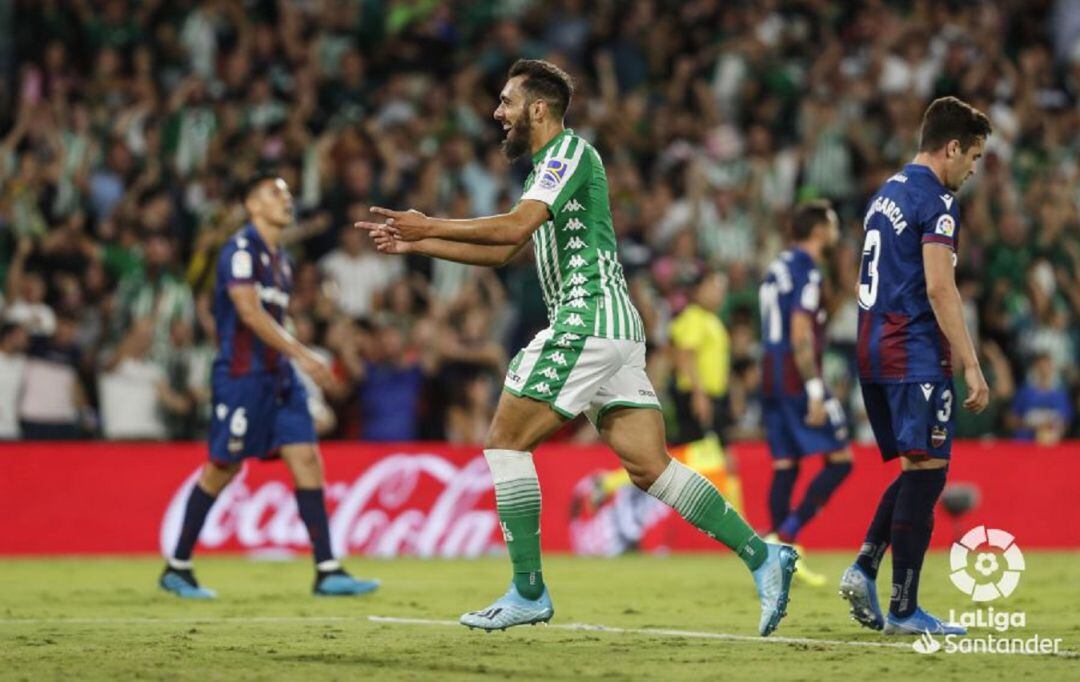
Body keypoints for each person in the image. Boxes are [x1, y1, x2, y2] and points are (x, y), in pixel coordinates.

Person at [356, 59, 796, 636]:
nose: (497, 112)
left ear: (538, 109)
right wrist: (422, 243)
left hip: (586, 320)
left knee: (506, 442)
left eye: (506, 101)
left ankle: (528, 591)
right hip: (616, 328)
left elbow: (514, 229)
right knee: (650, 467)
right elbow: (503, 252)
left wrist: (427, 222)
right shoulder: (545, 171)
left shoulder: (567, 153)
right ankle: (764, 557)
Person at [159, 172, 379, 599]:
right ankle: (178, 565)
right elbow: (248, 313)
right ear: (251, 205)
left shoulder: (282, 260)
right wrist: (303, 354)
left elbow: (278, 322)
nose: (286, 199)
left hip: (280, 379)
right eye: (274, 193)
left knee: (307, 459)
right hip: (242, 378)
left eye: (288, 193)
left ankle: (327, 569)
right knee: (223, 466)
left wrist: (299, 364)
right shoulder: (240, 250)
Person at [839, 97, 992, 636]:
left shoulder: (886, 193)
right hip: (913, 350)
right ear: (951, 148)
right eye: (972, 156)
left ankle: (864, 566)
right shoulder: (938, 201)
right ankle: (903, 608)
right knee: (931, 474)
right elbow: (938, 285)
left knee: (916, 469)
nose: (973, 169)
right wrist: (972, 364)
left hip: (872, 347)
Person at [759, 200, 853, 588]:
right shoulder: (806, 270)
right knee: (841, 460)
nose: (836, 231)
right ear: (818, 231)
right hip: (797, 375)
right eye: (832, 224)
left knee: (786, 464)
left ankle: (775, 559)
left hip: (770, 370)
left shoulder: (778, 265)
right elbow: (801, 333)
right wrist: (815, 389)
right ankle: (788, 537)